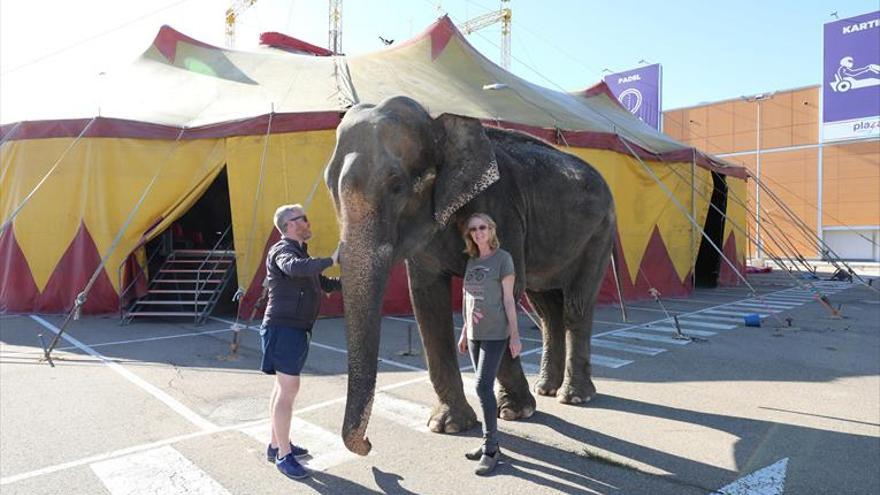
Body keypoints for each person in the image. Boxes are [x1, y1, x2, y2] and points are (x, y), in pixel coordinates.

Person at [261, 203, 341, 481]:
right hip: (284, 329)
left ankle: (275, 445)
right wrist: (332, 258)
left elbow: (326, 284)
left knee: (282, 388)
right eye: (303, 219)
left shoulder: (300, 253)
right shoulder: (283, 251)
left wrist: (353, 277)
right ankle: (284, 456)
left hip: (292, 329)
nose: (308, 222)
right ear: (290, 225)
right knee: (289, 389)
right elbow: (293, 269)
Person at [457, 213, 522, 476]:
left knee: (482, 386)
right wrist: (463, 332)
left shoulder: (503, 259)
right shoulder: (472, 261)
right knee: (484, 390)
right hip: (474, 333)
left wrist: (515, 335)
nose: (478, 232)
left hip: (496, 333)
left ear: (491, 230)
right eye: (473, 229)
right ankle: (489, 440)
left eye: (483, 227)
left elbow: (509, 300)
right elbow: (467, 299)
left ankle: (491, 449)